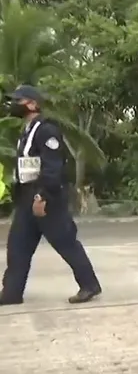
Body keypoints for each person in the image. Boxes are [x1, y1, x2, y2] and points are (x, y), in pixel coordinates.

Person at [0, 84, 102, 305]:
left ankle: (89, 285)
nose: (14, 105)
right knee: (17, 247)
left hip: (46, 198)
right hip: (26, 198)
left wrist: (41, 196)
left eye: (19, 101)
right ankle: (11, 293)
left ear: (33, 104)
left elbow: (52, 168)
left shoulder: (46, 130)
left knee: (65, 243)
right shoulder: (26, 132)